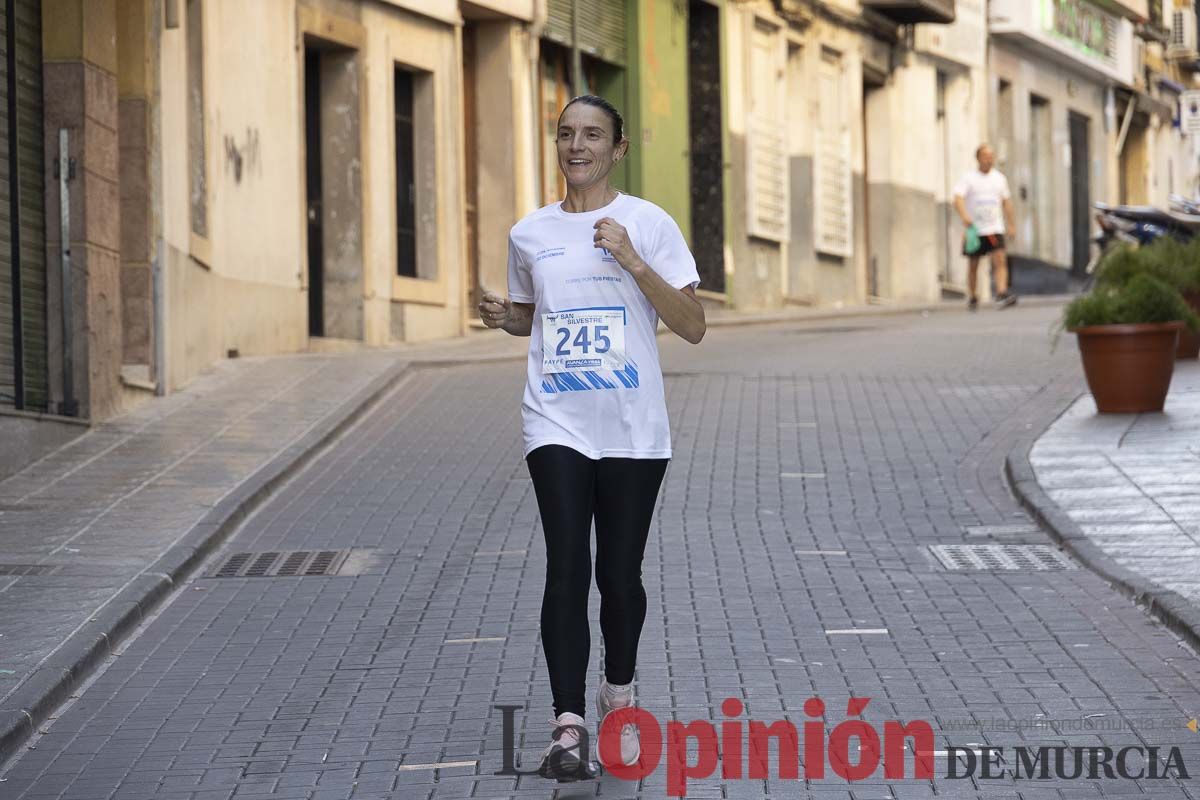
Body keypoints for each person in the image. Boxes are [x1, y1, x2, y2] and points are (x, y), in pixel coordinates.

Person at [477, 94, 705, 782]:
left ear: (618, 148)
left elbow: (692, 324)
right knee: (567, 562)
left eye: (593, 135)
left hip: (634, 429)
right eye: (567, 134)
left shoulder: (647, 224)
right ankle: (568, 723)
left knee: (619, 576)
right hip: (557, 421)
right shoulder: (529, 233)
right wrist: (504, 317)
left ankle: (621, 695)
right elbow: (533, 316)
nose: (577, 146)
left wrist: (634, 262)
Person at [953, 143, 1018, 310]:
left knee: (1000, 259)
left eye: (991, 156)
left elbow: (1006, 202)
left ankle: (1002, 292)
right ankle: (973, 295)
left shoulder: (999, 178)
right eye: (985, 156)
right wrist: (965, 217)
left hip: (994, 227)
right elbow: (958, 198)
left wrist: (1011, 224)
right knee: (973, 264)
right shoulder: (969, 178)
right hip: (975, 229)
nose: (989, 159)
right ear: (978, 158)